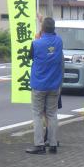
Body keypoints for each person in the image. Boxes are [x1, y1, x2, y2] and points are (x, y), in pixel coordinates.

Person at [26, 17, 63, 154]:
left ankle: (39, 145)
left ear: (42, 29)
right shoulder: (59, 41)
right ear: (54, 29)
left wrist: (38, 36)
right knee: (52, 114)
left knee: (37, 114)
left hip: (39, 85)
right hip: (54, 84)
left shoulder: (36, 44)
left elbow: (30, 57)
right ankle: (52, 144)